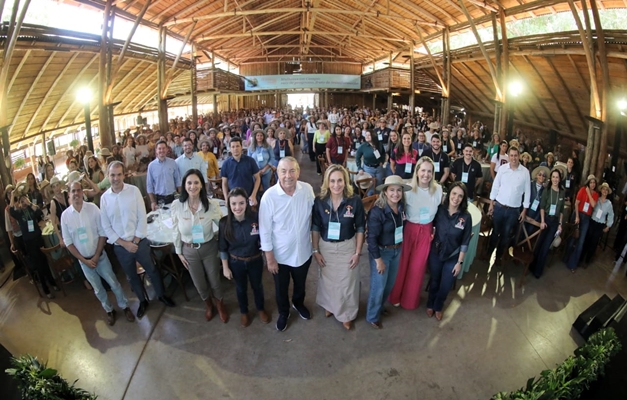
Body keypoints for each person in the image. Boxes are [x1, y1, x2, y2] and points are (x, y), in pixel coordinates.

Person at [100, 161, 175, 318]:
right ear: (108, 176)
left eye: (119, 174)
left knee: (152, 270)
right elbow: (106, 227)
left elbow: (142, 217)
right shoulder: (104, 199)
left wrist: (134, 241)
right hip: (121, 247)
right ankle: (143, 301)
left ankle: (161, 295)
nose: (116, 178)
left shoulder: (133, 191)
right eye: (112, 175)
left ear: (124, 175)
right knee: (131, 276)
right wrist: (125, 244)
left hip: (139, 242)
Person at [61, 181, 135, 325]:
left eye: (78, 190)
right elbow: (68, 242)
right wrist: (84, 260)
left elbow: (103, 233)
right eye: (73, 191)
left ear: (83, 192)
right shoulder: (65, 216)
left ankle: (124, 306)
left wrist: (96, 255)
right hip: (84, 262)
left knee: (113, 282)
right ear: (69, 194)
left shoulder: (93, 209)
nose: (76, 194)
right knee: (98, 289)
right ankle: (109, 310)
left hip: (100, 257)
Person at [259, 157, 315, 332]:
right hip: (280, 256)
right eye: (283, 171)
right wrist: (270, 259)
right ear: (277, 173)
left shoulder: (307, 190)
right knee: (281, 288)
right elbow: (265, 230)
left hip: (303, 251)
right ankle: (284, 312)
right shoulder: (269, 197)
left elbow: (315, 216)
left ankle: (298, 303)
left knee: (300, 284)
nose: (288, 175)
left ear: (298, 172)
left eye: (292, 171)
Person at [311, 165, 365, 330]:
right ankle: (331, 307)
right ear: (327, 182)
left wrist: (357, 252)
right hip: (326, 247)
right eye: (332, 181)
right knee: (328, 281)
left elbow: (361, 227)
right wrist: (315, 251)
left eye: (340, 180)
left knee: (348, 282)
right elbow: (315, 227)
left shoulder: (354, 200)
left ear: (345, 181)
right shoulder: (319, 201)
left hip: (347, 246)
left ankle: (346, 314)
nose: (336, 185)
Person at [171, 169, 227, 322]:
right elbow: (175, 229)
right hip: (188, 251)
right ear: (184, 185)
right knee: (199, 284)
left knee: (215, 280)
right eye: (189, 183)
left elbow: (223, 226)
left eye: (196, 182)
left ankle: (220, 305)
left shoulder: (211, 205)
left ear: (202, 185)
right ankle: (209, 305)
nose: (192, 186)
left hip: (209, 248)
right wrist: (179, 252)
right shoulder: (177, 206)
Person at [388, 157, 441, 310]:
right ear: (417, 171)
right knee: (402, 264)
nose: (426, 174)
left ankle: (409, 300)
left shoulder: (437, 190)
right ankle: (395, 296)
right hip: (409, 229)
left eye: (429, 171)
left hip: (426, 231)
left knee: (417, 268)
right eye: (423, 170)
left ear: (433, 173)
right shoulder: (408, 189)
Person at [219, 187, 271, 327]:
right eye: (234, 204)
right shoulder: (224, 223)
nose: (238, 207)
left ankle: (260, 308)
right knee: (240, 288)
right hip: (236, 262)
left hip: (255, 259)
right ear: (229, 205)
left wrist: (268, 258)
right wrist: (225, 267)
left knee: (257, 286)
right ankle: (244, 311)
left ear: (246, 203)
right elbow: (222, 248)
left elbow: (265, 239)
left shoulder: (255, 218)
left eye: (241, 203)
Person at [365, 175, 410, 329]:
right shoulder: (377, 212)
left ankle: (379, 307)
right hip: (381, 253)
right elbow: (371, 239)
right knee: (378, 287)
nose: (395, 194)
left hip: (397, 250)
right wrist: (378, 261)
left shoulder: (401, 206)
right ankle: (372, 316)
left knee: (389, 285)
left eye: (398, 190)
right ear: (385, 191)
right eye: (392, 190)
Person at [427, 182, 472, 321]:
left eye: (460, 196)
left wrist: (460, 262)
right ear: (449, 194)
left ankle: (438, 306)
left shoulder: (466, 217)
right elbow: (429, 225)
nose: (456, 198)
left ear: (463, 199)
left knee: (445, 284)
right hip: (436, 252)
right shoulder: (439, 209)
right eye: (454, 193)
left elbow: (465, 241)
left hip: (453, 256)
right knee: (434, 281)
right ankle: (430, 303)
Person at [9, 193, 59, 298]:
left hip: (38, 238)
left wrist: (29, 203)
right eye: (21, 201)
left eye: (24, 200)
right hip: (29, 242)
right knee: (39, 265)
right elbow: (11, 210)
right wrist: (13, 196)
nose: (23, 203)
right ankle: (46, 289)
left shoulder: (31, 209)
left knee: (45, 261)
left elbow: (40, 213)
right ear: (18, 203)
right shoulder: (19, 213)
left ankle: (53, 283)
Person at [488, 147, 531, 266]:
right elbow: (496, 186)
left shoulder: (525, 172)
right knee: (495, 232)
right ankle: (488, 254)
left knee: (506, 235)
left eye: (515, 155)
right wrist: (491, 203)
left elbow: (527, 192)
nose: (513, 158)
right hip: (499, 207)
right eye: (511, 155)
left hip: (513, 211)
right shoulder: (502, 169)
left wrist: (524, 210)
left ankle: (498, 257)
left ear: (519, 156)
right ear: (508, 156)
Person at [529, 169, 565, 278]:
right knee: (539, 244)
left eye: (557, 177)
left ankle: (538, 271)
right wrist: (543, 221)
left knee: (546, 247)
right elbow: (542, 207)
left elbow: (562, 210)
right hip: (546, 220)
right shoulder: (547, 190)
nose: (555, 179)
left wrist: (560, 223)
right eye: (553, 177)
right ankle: (532, 266)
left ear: (560, 179)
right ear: (551, 178)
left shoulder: (562, 192)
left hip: (554, 222)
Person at [563, 174, 598, 271]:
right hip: (578, 213)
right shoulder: (582, 189)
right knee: (572, 237)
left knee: (581, 241)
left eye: (594, 182)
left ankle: (572, 264)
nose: (592, 184)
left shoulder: (595, 194)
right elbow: (576, 203)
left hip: (586, 217)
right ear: (588, 182)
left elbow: (593, 205)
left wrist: (589, 193)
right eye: (591, 182)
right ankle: (566, 258)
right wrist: (577, 216)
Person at [221, 137, 261, 206]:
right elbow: (224, 183)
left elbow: (257, 178)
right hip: (233, 198)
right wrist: (226, 198)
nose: (235, 148)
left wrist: (253, 195)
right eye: (233, 147)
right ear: (230, 149)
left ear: (241, 147)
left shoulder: (250, 161)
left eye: (237, 146)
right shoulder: (226, 163)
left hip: (248, 197)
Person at [580, 182, 614, 264]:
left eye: (606, 190)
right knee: (587, 239)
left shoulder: (609, 204)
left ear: (608, 192)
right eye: (603, 189)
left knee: (594, 242)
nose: (605, 191)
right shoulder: (596, 199)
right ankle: (581, 258)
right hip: (592, 221)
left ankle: (587, 260)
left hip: (600, 224)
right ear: (601, 190)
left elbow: (611, 215)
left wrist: (608, 226)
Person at [147, 140, 181, 209]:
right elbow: (149, 185)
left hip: (173, 197)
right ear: (156, 150)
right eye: (159, 148)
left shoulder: (172, 163)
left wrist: (180, 196)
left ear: (167, 149)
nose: (161, 150)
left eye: (163, 148)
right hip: (159, 199)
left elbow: (178, 181)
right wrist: (153, 202)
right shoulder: (151, 166)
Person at [355, 130, 386, 195]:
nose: (367, 137)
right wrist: (359, 168)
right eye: (366, 135)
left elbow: (383, 153)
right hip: (368, 169)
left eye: (369, 135)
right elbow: (357, 157)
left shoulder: (379, 144)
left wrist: (382, 161)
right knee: (370, 188)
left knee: (379, 186)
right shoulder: (363, 146)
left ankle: (379, 201)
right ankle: (370, 201)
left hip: (379, 168)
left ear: (373, 136)